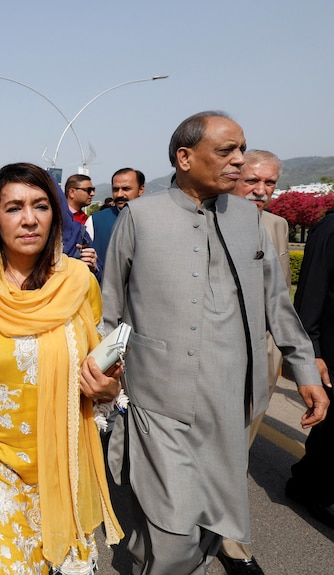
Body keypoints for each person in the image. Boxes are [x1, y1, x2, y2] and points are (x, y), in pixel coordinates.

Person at [101, 111, 328, 575]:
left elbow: (276, 305)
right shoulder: (141, 217)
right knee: (175, 527)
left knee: (211, 518)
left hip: (230, 400)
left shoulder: (250, 219)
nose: (240, 162)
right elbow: (111, 310)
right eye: (227, 151)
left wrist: (304, 369)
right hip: (158, 398)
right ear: (184, 157)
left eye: (242, 149)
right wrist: (105, 381)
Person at [0, 162, 122, 574]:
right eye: (13, 208)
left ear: (55, 216)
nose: (29, 219)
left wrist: (108, 391)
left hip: (62, 465)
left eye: (41, 206)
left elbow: (105, 369)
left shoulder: (80, 284)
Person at [219, 150, 291, 575]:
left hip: (261, 356)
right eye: (253, 182)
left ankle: (231, 540)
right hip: (211, 359)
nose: (261, 191)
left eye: (270, 184)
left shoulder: (278, 227)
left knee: (239, 452)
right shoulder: (206, 219)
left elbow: (281, 302)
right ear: (233, 178)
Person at [286, 206, 334, 529]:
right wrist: (312, 353)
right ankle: (315, 490)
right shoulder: (329, 229)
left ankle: (305, 478)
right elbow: (309, 297)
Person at [85, 168, 145, 264]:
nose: (119, 194)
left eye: (126, 189)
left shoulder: (152, 221)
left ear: (141, 190)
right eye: (115, 189)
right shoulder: (95, 221)